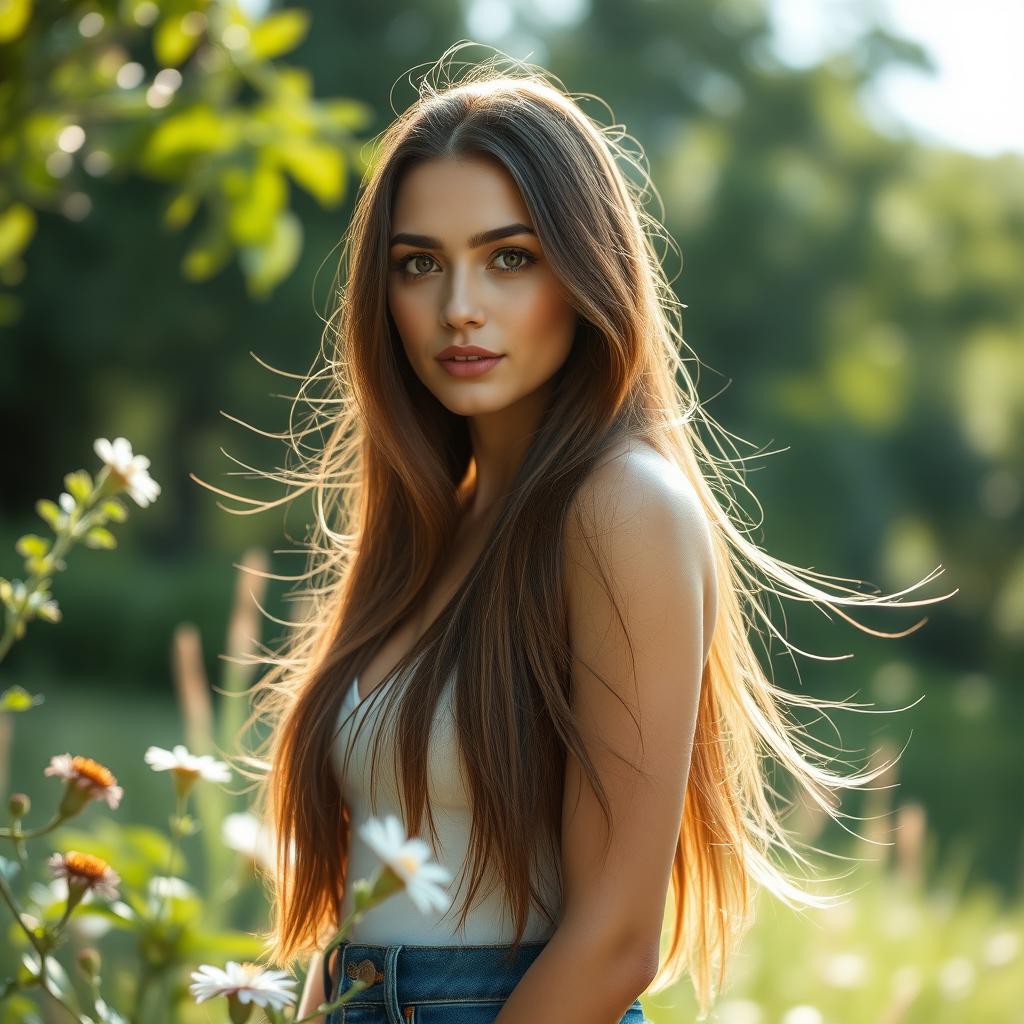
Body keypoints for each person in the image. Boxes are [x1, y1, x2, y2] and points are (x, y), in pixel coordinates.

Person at [230, 44, 951, 1024]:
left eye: (509, 257)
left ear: (583, 270)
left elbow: (615, 943)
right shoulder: (438, 523)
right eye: (419, 265)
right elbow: (379, 877)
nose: (459, 309)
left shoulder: (622, 507)